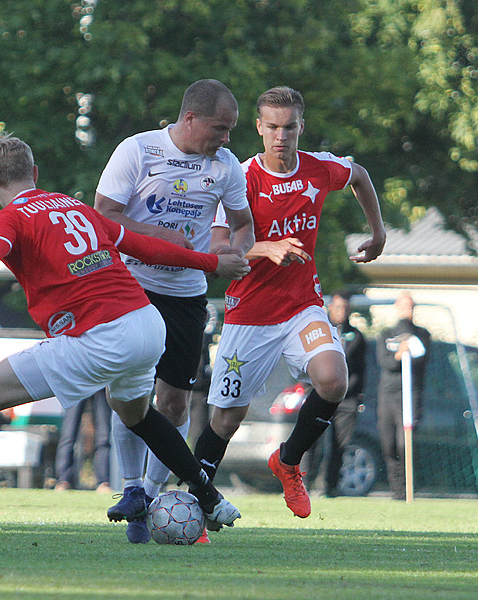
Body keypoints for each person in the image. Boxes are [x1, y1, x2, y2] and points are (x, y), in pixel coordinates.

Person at [0, 133, 247, 542]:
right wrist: (211, 262)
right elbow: (145, 248)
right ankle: (209, 498)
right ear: (34, 173)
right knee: (134, 413)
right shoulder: (73, 205)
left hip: (102, 335)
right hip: (146, 323)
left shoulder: (11, 217)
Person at [190, 86, 386, 520]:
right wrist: (265, 248)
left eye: (290, 127)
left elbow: (360, 176)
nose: (281, 135)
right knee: (226, 418)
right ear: (259, 128)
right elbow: (218, 246)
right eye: (273, 127)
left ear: (301, 126)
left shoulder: (319, 169)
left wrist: (378, 232)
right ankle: (195, 503)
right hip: (249, 314)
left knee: (334, 380)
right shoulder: (239, 178)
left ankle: (288, 461)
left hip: (302, 306)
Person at [95, 78, 255, 543]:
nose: (226, 139)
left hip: (187, 294)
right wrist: (160, 238)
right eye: (220, 128)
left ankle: (148, 493)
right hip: (131, 286)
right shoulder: (139, 150)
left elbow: (242, 223)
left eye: (230, 130)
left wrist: (237, 252)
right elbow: (102, 214)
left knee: (175, 401)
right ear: (190, 119)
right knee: (129, 392)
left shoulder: (225, 167)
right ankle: (128, 486)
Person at [376, 292, 432, 501]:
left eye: (409, 306)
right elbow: (385, 362)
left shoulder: (422, 334)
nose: (406, 310)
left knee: (405, 442)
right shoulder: (386, 334)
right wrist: (399, 354)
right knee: (388, 443)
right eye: (403, 305)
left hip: (410, 394)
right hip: (387, 394)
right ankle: (396, 490)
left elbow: (422, 359)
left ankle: (408, 489)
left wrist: (409, 347)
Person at [314, 292, 367, 497]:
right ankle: (305, 483)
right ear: (330, 308)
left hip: (347, 399)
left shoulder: (357, 336)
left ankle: (330, 486)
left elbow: (360, 369)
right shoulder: (320, 332)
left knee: (339, 444)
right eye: (338, 307)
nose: (342, 312)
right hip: (322, 396)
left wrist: (355, 393)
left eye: (345, 307)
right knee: (315, 442)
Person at [53, 388, 111, 493]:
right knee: (69, 434)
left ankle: (103, 482)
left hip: (101, 381)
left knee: (104, 436)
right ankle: (63, 480)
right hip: (78, 381)